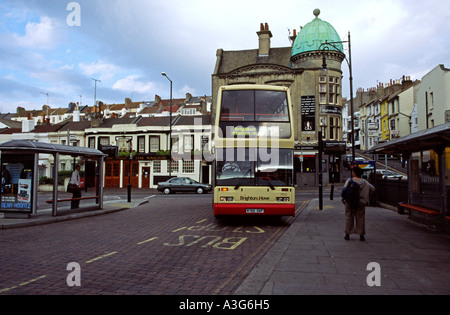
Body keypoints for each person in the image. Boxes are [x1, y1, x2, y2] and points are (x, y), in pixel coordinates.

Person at [342, 166, 375, 241]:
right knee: (360, 218)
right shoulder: (364, 182)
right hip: (361, 202)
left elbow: (344, 190)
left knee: (349, 217)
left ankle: (347, 234)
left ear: (354, 173)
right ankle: (361, 235)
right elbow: (373, 189)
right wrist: (367, 196)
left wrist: (343, 200)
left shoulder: (349, 181)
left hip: (349, 201)